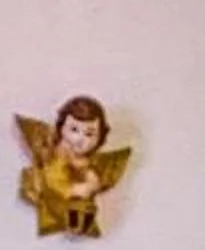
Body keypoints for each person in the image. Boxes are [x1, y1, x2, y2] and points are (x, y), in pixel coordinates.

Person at [16, 95, 129, 238]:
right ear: (61, 127)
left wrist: (90, 183)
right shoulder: (53, 154)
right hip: (52, 192)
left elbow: (92, 177)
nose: (80, 139)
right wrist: (72, 190)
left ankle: (81, 220)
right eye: (74, 129)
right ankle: (73, 217)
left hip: (75, 198)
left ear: (100, 136)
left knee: (82, 203)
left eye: (89, 133)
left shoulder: (88, 163)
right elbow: (52, 178)